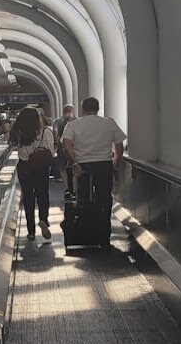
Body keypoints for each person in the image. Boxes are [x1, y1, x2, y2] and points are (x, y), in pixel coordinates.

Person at [60, 97, 126, 209]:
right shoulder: (109, 123)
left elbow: (66, 145)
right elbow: (119, 146)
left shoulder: (73, 124)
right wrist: (115, 165)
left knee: (83, 196)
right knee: (104, 195)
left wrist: (74, 163)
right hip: (104, 164)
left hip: (82, 165)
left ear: (82, 109)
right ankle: (104, 221)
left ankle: (86, 220)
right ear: (98, 108)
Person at [10, 107, 56, 240]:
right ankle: (43, 219)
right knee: (42, 194)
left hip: (24, 167)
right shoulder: (45, 132)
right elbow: (51, 152)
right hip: (41, 167)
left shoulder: (18, 132)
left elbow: (14, 147)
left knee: (28, 197)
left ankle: (31, 231)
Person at [52, 105, 76, 189]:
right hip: (74, 147)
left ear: (63, 111)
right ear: (72, 111)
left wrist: (56, 143)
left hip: (62, 146)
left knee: (62, 168)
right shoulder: (76, 121)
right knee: (74, 166)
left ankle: (66, 187)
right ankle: (74, 187)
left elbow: (55, 132)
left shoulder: (57, 121)